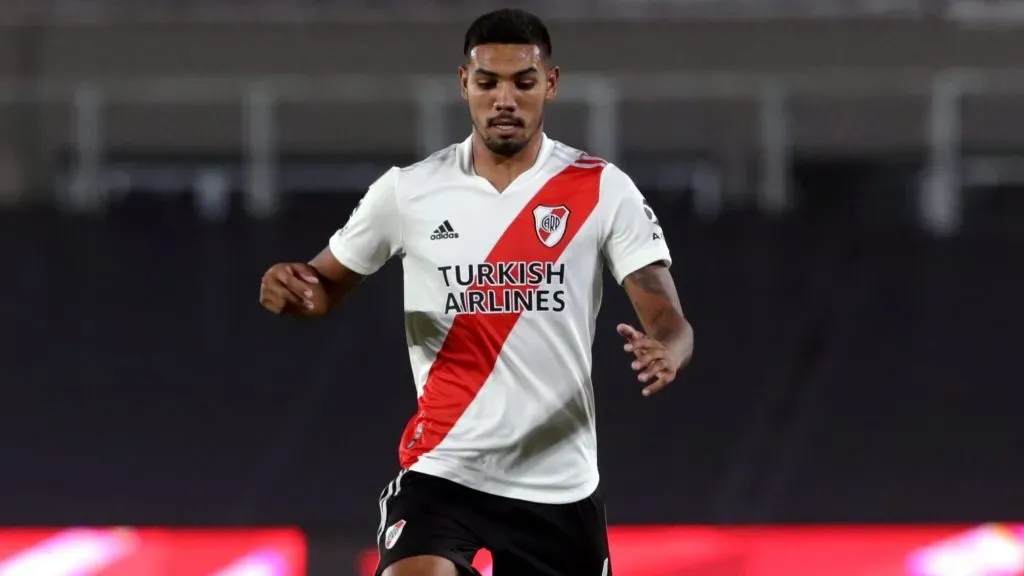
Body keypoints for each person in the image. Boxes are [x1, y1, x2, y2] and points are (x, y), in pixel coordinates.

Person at [258, 8, 694, 576]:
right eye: (488, 82)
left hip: (559, 486)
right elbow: (321, 287)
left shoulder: (601, 188)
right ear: (464, 83)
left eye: (523, 82)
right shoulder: (409, 191)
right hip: (445, 471)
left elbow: (668, 316)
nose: (504, 99)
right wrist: (290, 290)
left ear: (551, 85)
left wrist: (669, 351)